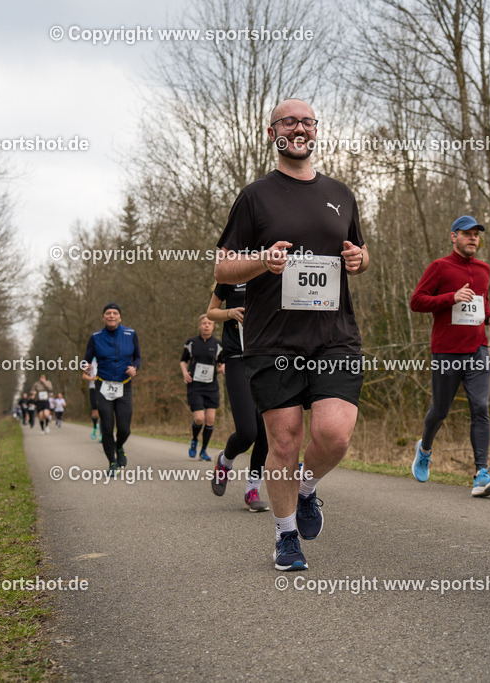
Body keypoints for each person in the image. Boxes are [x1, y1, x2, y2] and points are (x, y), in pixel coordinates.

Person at [214, 98, 369, 571]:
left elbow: (359, 252)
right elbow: (222, 267)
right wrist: (264, 260)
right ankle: (285, 537)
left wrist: (361, 261)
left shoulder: (341, 194)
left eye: (306, 121)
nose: (299, 128)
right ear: (272, 133)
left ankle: (306, 489)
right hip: (273, 340)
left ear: (315, 132)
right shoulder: (255, 197)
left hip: (333, 334)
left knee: (335, 435)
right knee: (283, 442)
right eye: (289, 122)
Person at [409, 215, 490, 497]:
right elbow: (417, 301)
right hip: (447, 351)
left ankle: (481, 474)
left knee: (480, 408)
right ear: (454, 236)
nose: (473, 238)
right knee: (440, 411)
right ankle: (425, 449)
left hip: (478, 349)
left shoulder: (484, 269)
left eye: (476, 234)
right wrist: (450, 297)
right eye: (467, 233)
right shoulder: (439, 267)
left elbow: (482, 300)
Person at [206, 283, 270, 512]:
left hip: (266, 359)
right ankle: (224, 461)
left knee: (265, 431)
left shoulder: (271, 272)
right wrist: (229, 313)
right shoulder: (230, 276)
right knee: (247, 432)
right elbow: (210, 311)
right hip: (236, 358)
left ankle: (253, 490)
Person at [82, 302, 141, 475]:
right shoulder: (96, 337)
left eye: (115, 313)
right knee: (107, 427)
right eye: (108, 313)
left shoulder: (130, 334)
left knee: (124, 428)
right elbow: (86, 359)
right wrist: (84, 366)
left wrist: (135, 368)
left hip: (124, 386)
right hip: (103, 386)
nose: (111, 315)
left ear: (120, 317)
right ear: (103, 317)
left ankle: (119, 446)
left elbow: (137, 357)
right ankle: (112, 463)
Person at [180, 315, 225, 461]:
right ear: (199, 326)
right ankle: (194, 440)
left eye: (209, 323)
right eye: (204, 323)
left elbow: (222, 362)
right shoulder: (191, 342)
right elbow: (183, 361)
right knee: (199, 418)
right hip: (195, 386)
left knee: (210, 419)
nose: (206, 325)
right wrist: (185, 373)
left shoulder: (218, 344)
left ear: (213, 326)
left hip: (211, 386)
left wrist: (223, 367)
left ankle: (204, 450)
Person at [82, 358, 101, 441]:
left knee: (104, 411)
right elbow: (84, 376)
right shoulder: (90, 361)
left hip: (103, 388)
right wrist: (91, 378)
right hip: (93, 388)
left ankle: (102, 433)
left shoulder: (105, 357)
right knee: (95, 414)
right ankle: (95, 427)